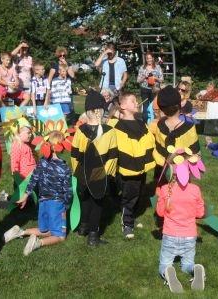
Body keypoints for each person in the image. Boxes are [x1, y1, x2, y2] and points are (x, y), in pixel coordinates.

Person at [3, 130, 72, 256]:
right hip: (57, 204)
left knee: (45, 230)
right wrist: (66, 206)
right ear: (61, 147)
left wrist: (25, 196)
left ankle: (20, 232)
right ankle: (37, 243)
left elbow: (33, 180)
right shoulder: (64, 167)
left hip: (43, 202)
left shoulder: (41, 162)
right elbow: (67, 190)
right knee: (60, 236)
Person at [71, 90, 118, 245]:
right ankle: (93, 235)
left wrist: (77, 172)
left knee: (85, 199)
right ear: (99, 111)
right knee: (97, 203)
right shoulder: (109, 131)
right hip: (100, 173)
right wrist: (107, 174)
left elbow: (75, 155)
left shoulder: (80, 131)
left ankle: (82, 228)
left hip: (83, 172)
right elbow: (112, 155)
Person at [156, 147, 206, 293]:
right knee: (186, 264)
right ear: (190, 171)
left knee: (164, 264)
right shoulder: (195, 189)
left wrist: (160, 199)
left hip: (170, 234)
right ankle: (194, 269)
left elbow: (160, 213)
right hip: (190, 235)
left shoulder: (165, 189)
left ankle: (167, 271)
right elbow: (200, 212)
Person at [110, 92, 155, 239]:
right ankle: (127, 224)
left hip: (140, 167)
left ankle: (131, 217)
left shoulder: (141, 124)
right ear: (122, 106)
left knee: (138, 194)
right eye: (132, 101)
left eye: (136, 101)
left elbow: (148, 141)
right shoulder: (117, 126)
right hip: (127, 168)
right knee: (129, 197)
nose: (136, 103)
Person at [153, 86, 200, 185]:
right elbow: (195, 152)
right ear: (180, 105)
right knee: (178, 198)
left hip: (161, 170)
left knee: (163, 197)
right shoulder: (189, 127)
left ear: (161, 108)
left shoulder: (160, 124)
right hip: (181, 174)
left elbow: (158, 149)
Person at [137, 52, 164, 121]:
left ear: (153, 58)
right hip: (145, 90)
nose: (149, 60)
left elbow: (161, 80)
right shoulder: (142, 67)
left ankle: (154, 123)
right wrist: (144, 77)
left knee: (154, 107)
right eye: (147, 58)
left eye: (150, 58)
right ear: (146, 59)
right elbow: (138, 81)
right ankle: (145, 123)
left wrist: (156, 78)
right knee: (145, 107)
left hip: (154, 90)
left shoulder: (157, 67)